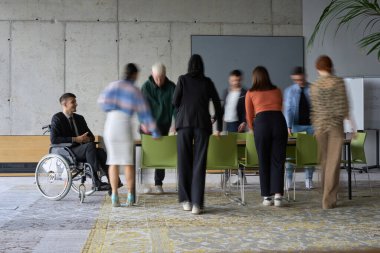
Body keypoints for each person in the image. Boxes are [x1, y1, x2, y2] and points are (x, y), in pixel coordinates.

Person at [98, 63, 160, 207]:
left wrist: (114, 106)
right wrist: (154, 130)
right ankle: (130, 196)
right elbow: (145, 113)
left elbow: (101, 103)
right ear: (134, 75)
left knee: (112, 162)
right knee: (128, 162)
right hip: (124, 125)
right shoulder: (134, 90)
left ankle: (114, 196)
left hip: (110, 124)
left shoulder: (112, 86)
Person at [173, 54, 223, 215]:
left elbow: (174, 102)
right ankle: (197, 204)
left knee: (184, 162)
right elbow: (217, 104)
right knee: (199, 164)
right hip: (202, 124)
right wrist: (218, 126)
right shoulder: (207, 82)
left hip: (184, 124)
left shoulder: (182, 80)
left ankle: (186, 201)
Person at [50, 93, 112, 191]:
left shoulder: (79, 118)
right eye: (73, 102)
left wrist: (87, 139)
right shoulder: (57, 118)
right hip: (68, 151)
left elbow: (91, 136)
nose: (76, 104)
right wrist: (75, 139)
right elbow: (54, 139)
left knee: (100, 151)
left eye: (75, 102)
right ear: (65, 104)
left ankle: (112, 180)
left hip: (84, 149)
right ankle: (96, 181)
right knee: (90, 146)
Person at [310, 55, 349, 209]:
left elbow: (314, 109)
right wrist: (351, 123)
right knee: (333, 163)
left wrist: (315, 126)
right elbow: (344, 106)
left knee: (325, 161)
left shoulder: (314, 85)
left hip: (319, 127)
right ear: (330, 66)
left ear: (317, 68)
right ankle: (328, 200)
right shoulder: (338, 82)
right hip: (335, 126)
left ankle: (326, 192)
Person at [245, 66, 287, 207]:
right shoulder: (277, 90)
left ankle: (266, 197)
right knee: (278, 160)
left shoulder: (250, 93)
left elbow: (249, 115)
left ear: (254, 78)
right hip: (278, 121)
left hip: (262, 123)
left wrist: (252, 128)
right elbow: (280, 107)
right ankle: (278, 196)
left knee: (263, 160)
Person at [141, 62, 176, 194]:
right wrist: (144, 122)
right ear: (152, 75)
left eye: (161, 77)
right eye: (156, 78)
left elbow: (176, 108)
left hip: (163, 126)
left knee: (160, 156)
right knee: (147, 154)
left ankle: (158, 183)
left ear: (165, 75)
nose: (159, 81)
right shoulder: (146, 87)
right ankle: (142, 182)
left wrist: (175, 123)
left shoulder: (172, 87)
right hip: (147, 126)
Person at [284, 66, 315, 189]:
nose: (299, 82)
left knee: (309, 154)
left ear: (305, 76)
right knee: (291, 154)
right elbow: (288, 109)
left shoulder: (313, 88)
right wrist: (288, 125)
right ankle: (289, 179)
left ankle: (308, 179)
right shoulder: (290, 91)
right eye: (296, 80)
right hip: (295, 126)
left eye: (300, 79)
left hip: (311, 126)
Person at [222, 69, 247, 185]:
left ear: (240, 79)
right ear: (229, 80)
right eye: (233, 80)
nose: (235, 82)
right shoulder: (226, 92)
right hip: (227, 125)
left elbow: (247, 110)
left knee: (239, 152)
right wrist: (214, 118)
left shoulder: (245, 93)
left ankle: (241, 176)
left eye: (237, 80)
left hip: (238, 125)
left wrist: (245, 122)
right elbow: (223, 108)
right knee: (227, 151)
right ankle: (227, 175)